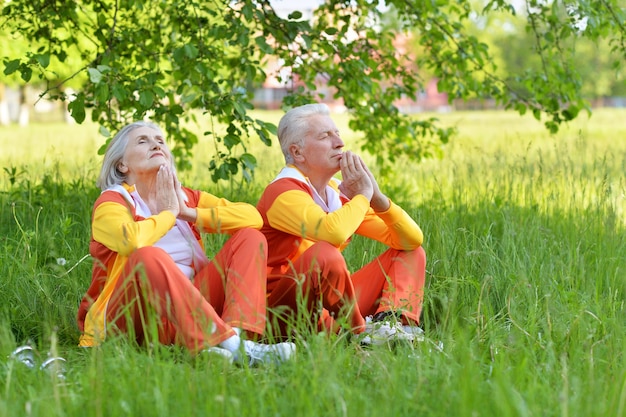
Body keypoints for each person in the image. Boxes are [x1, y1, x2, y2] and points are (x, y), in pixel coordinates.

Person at [76, 121, 295, 365]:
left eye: (160, 140)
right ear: (122, 164)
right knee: (147, 257)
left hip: (188, 314)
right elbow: (132, 241)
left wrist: (188, 213)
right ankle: (231, 344)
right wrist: (168, 214)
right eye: (143, 140)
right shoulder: (113, 201)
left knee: (250, 237)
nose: (155, 144)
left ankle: (238, 340)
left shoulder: (185, 198)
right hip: (134, 320)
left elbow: (253, 218)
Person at [256, 103, 427, 345]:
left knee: (411, 253)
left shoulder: (336, 192)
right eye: (325, 136)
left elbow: (411, 240)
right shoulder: (282, 193)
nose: (339, 143)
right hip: (280, 313)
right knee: (325, 252)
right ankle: (360, 334)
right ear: (297, 152)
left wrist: (378, 199)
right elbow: (332, 233)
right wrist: (362, 196)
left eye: (337, 134)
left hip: (329, 305)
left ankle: (392, 328)